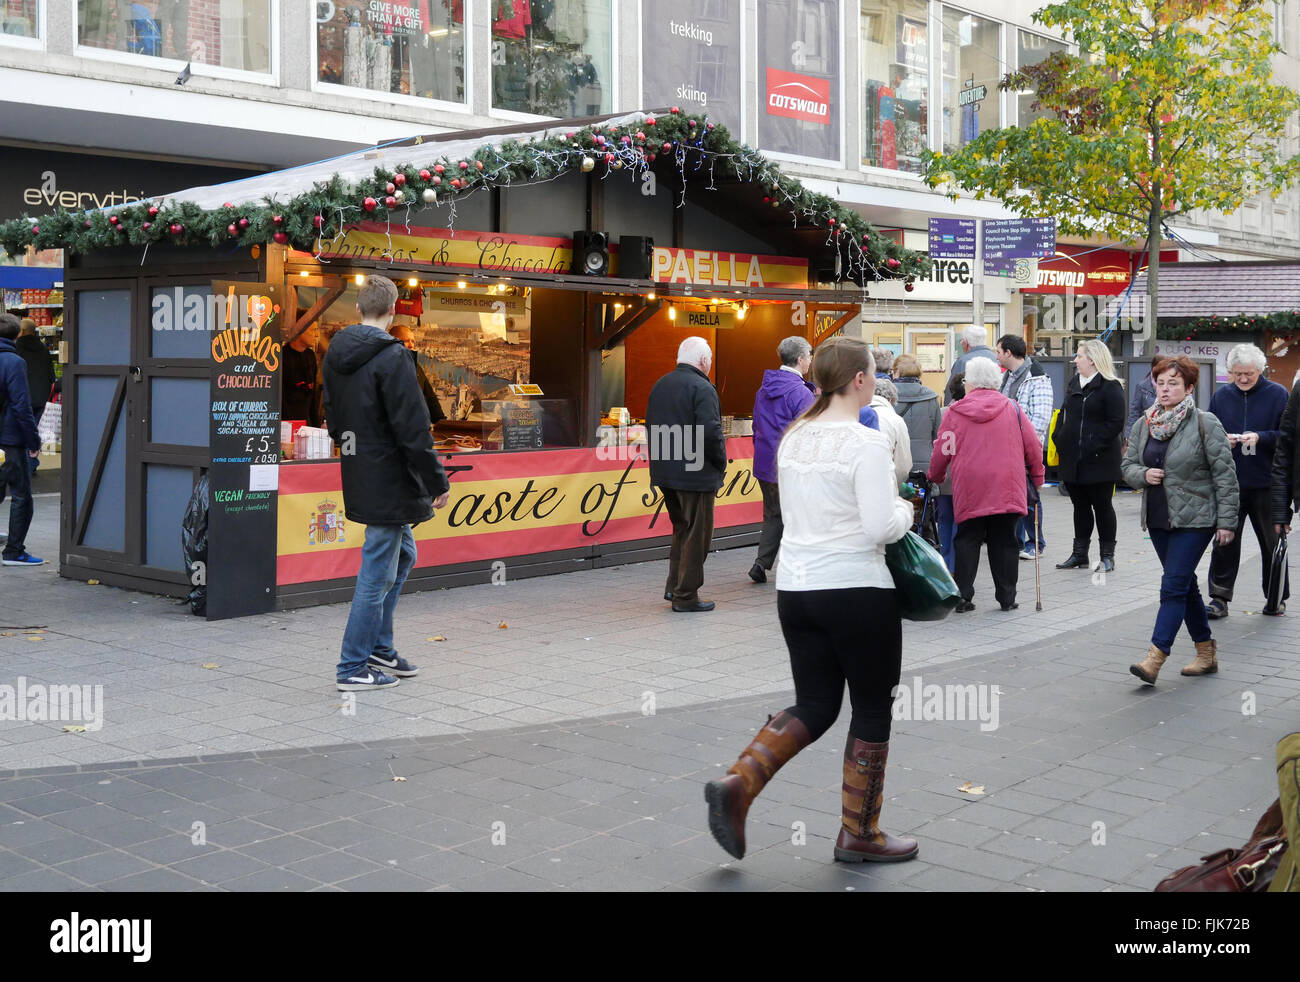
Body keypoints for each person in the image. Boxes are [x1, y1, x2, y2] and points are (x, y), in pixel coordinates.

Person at [704, 337, 917, 863]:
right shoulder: (866, 443)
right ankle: (859, 833)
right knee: (870, 707)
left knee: (816, 703)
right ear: (861, 380)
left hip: (797, 590)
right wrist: (906, 511)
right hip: (857, 591)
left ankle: (740, 782)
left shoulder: (795, 438)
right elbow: (880, 526)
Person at [322, 277, 450, 691]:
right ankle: (352, 666)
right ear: (394, 310)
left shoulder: (335, 353)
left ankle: (379, 646)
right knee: (377, 570)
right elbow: (413, 430)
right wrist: (436, 480)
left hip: (361, 472)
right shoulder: (395, 357)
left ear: (358, 309)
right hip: (391, 479)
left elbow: (334, 423)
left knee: (402, 556)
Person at [1122, 356, 1238, 684]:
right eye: (1160, 383)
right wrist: (1144, 474)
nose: (1165, 389)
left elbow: (1225, 476)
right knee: (1184, 585)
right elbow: (1127, 466)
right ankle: (1206, 652)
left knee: (1172, 585)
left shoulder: (1205, 422)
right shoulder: (1144, 424)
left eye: (1173, 383)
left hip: (1196, 519)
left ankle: (1155, 658)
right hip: (1159, 518)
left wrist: (1227, 521)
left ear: (1189, 388)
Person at [929, 357, 1044, 612]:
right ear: (996, 381)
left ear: (969, 384)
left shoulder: (956, 412)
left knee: (967, 539)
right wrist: (1037, 479)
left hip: (970, 486)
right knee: (1005, 540)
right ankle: (1006, 598)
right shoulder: (1012, 409)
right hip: (1007, 485)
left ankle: (964, 597)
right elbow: (1033, 446)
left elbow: (943, 449)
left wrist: (935, 476)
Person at [1203, 344, 1289, 618]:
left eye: (1248, 374)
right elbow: (1208, 433)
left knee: (1271, 542)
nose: (1242, 379)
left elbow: (1288, 437)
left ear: (1261, 370)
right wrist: (1222, 441)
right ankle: (1219, 597)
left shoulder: (1278, 394)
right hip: (1230, 482)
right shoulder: (1221, 396)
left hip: (1267, 482)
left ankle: (1275, 597)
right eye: (1237, 374)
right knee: (1225, 541)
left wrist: (1260, 437)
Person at [646, 337, 726, 612]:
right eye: (710, 361)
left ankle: (674, 587)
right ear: (704, 361)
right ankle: (686, 595)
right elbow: (710, 432)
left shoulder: (660, 384)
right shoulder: (702, 387)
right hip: (695, 474)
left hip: (666, 471)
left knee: (681, 529)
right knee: (697, 535)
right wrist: (721, 462)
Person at [1052, 339, 1126, 572]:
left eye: (1079, 356)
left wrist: (1094, 444)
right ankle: (1079, 554)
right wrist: (1059, 437)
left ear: (1092, 360)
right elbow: (1065, 413)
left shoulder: (1111, 386)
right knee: (1079, 507)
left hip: (1100, 460)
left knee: (1102, 507)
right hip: (1073, 459)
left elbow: (1115, 422)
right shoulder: (1075, 382)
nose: (1075, 360)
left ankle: (1107, 556)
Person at [748, 336, 814, 585]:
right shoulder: (800, 393)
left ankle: (761, 563)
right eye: (809, 355)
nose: (810, 360)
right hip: (791, 464)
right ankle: (790, 566)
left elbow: (757, 425)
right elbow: (808, 432)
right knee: (796, 516)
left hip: (765, 462)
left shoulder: (764, 388)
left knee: (773, 514)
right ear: (800, 359)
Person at [996, 334, 1053, 560]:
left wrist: (1022, 444)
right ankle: (1017, 542)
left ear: (1009, 353)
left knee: (1030, 497)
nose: (996, 355)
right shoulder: (1008, 377)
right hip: (1007, 448)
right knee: (1013, 496)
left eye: (998, 351)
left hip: (1025, 449)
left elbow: (1040, 419)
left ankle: (1036, 543)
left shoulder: (1037, 378)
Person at [0, 314, 43, 566]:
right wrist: (33, 441)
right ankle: (14, 551)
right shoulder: (14, 362)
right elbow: (21, 406)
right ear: (17, 336)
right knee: (21, 496)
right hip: (10, 440)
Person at [14, 318, 54, 475]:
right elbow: (51, 376)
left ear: (21, 332)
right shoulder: (44, 349)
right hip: (42, 398)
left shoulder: (16, 349)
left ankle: (27, 465)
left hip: (24, 397)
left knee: (21, 431)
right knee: (35, 432)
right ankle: (32, 462)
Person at [892, 354, 942, 474]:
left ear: (897, 372)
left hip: (895, 463)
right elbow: (937, 435)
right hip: (925, 463)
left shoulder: (888, 397)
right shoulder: (931, 398)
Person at [935, 373, 966, 571]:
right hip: (965, 477)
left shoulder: (942, 412)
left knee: (944, 519)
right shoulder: (972, 413)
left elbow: (938, 446)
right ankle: (958, 563)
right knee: (960, 522)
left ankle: (947, 562)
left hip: (945, 477)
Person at [390, 322, 447, 426]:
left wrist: (442, 424)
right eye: (406, 341)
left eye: (413, 341)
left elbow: (431, 399)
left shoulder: (417, 368)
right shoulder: (383, 368)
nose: (411, 345)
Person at [864, 375, 911, 487]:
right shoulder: (896, 420)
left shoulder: (855, 413)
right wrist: (897, 487)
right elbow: (903, 466)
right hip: (885, 483)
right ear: (891, 399)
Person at [281, 316, 323, 427]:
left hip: (306, 425)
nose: (316, 334)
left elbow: (313, 395)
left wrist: (316, 425)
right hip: (285, 426)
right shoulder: (282, 357)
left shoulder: (310, 356)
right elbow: (281, 398)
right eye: (313, 330)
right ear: (299, 330)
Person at [946, 325, 998, 403]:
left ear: (966, 342)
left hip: (968, 408)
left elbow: (952, 392)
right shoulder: (996, 359)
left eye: (962, 340)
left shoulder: (962, 362)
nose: (961, 343)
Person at [1127, 355, 1160, 435]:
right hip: (1146, 431)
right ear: (1153, 368)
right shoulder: (1142, 386)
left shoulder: (1169, 386)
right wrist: (1128, 435)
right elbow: (1135, 412)